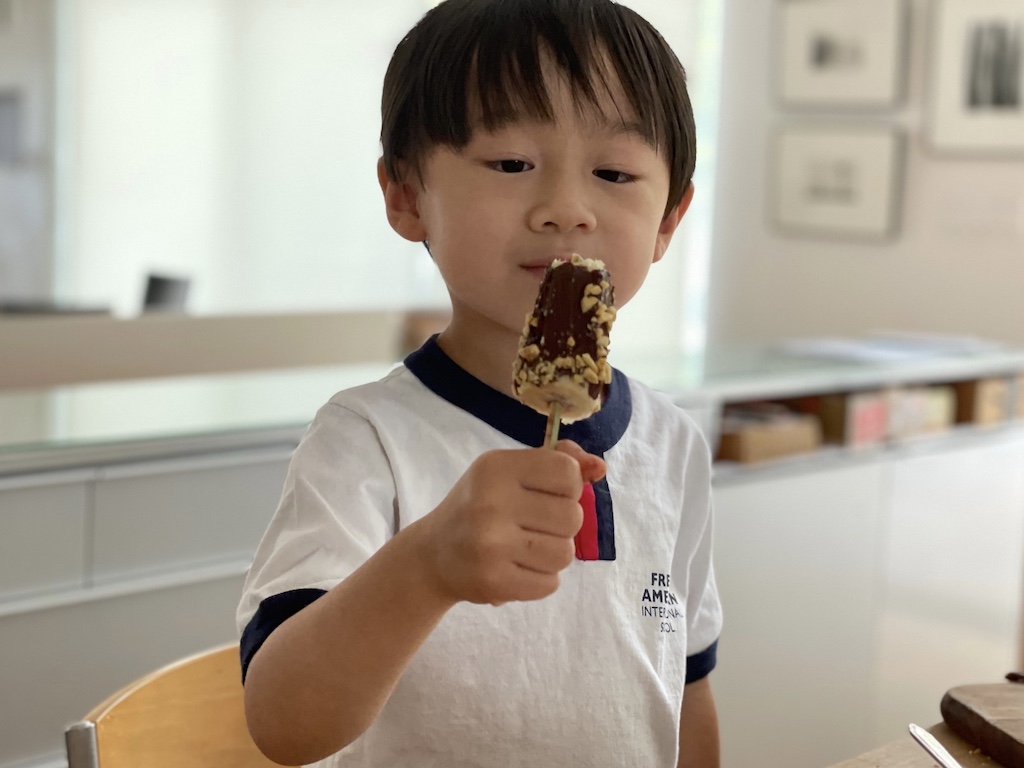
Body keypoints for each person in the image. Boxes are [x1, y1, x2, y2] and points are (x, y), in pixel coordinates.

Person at [237, 1, 722, 765]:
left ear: (670, 218)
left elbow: (686, 688)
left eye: (615, 172)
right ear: (405, 194)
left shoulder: (675, 445)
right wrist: (427, 565)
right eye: (509, 165)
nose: (565, 208)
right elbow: (284, 723)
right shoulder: (366, 441)